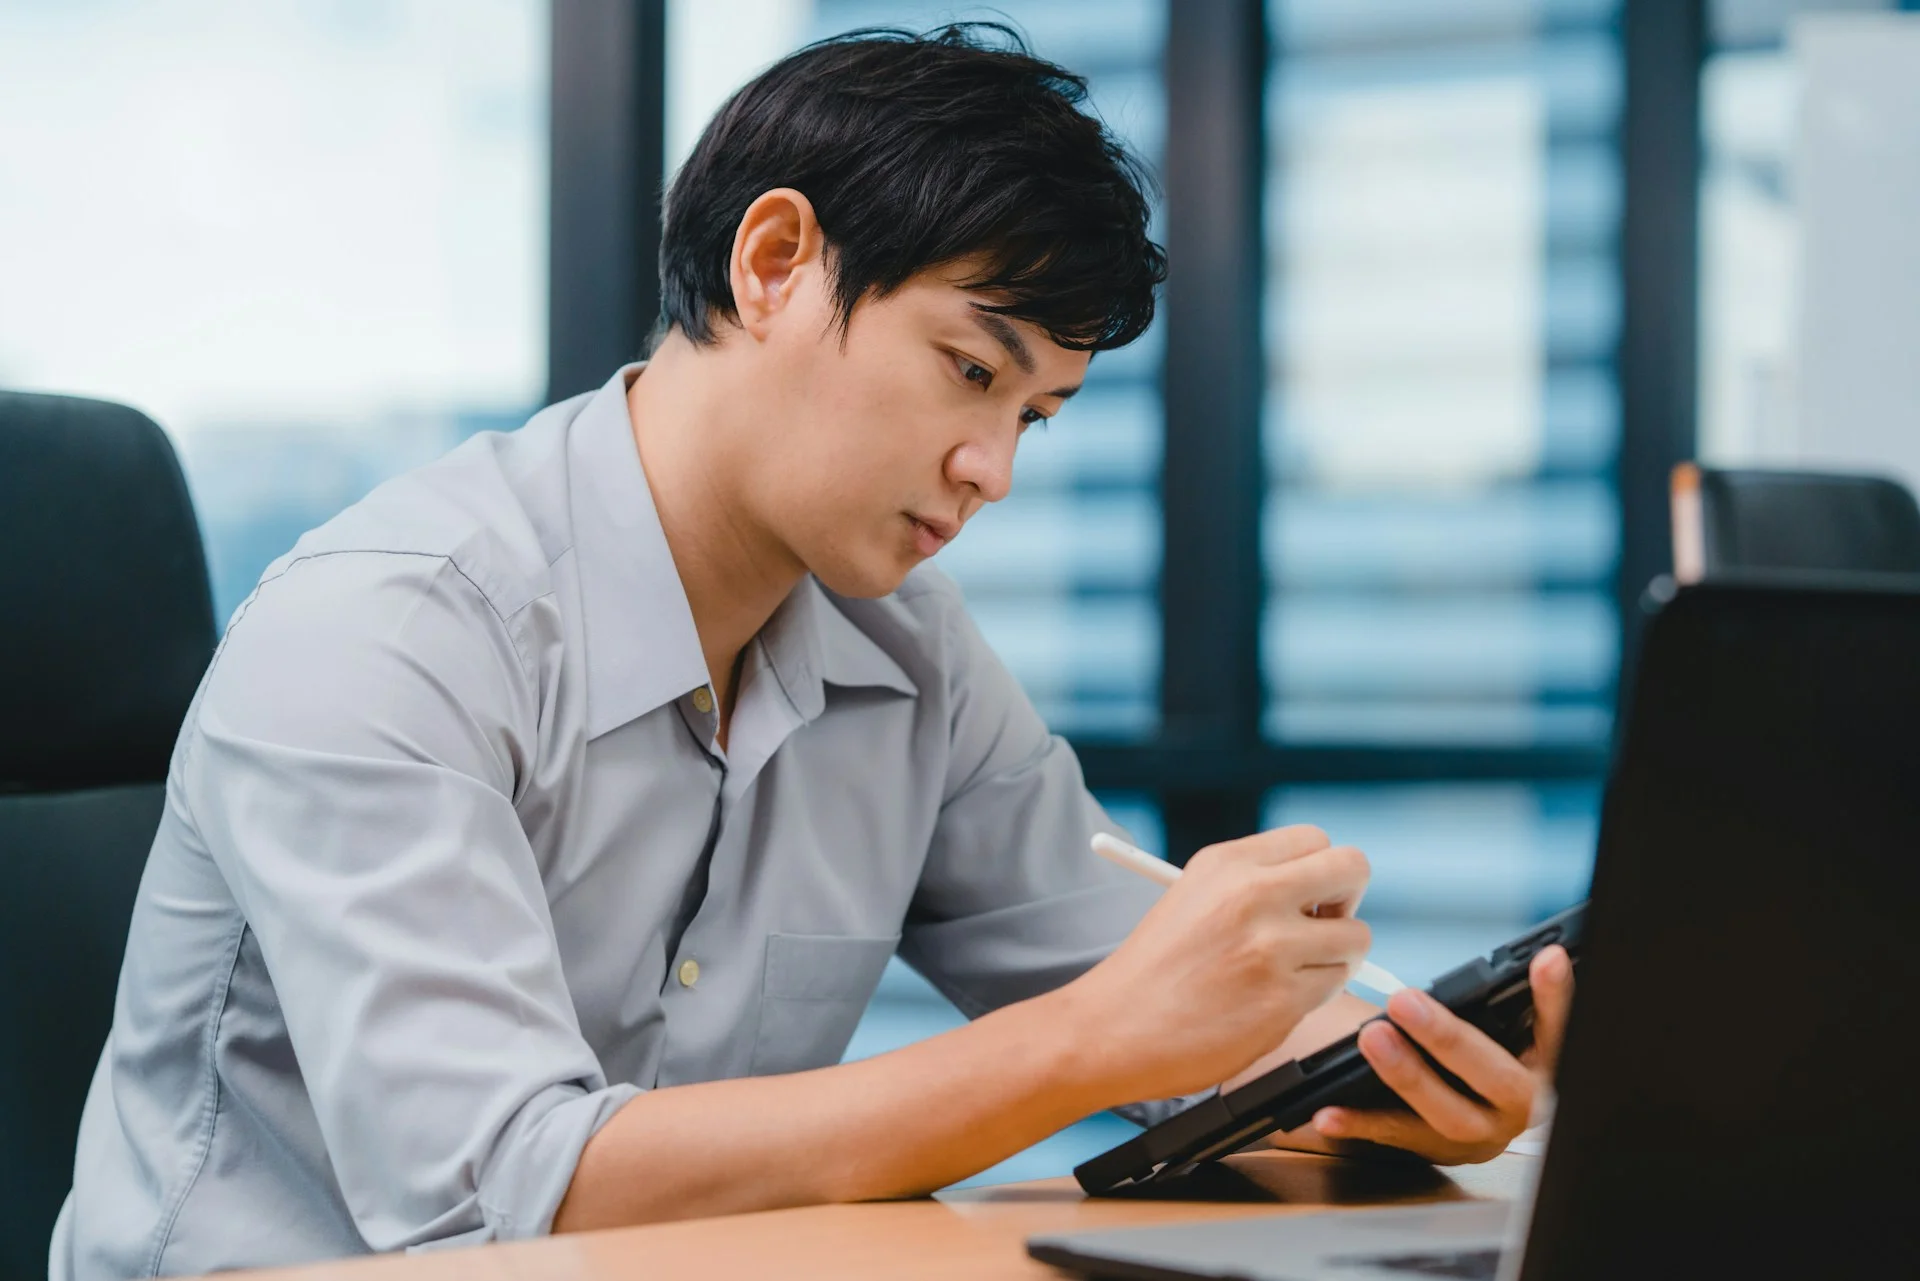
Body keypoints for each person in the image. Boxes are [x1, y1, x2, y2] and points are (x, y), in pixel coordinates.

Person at [54, 24, 1572, 1278]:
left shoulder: (906, 650)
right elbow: (510, 1193)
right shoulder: (388, 630)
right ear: (775, 262)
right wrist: (1092, 1043)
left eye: (1033, 415)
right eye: (970, 371)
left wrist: (1360, 1076)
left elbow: (1153, 1020)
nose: (994, 468)